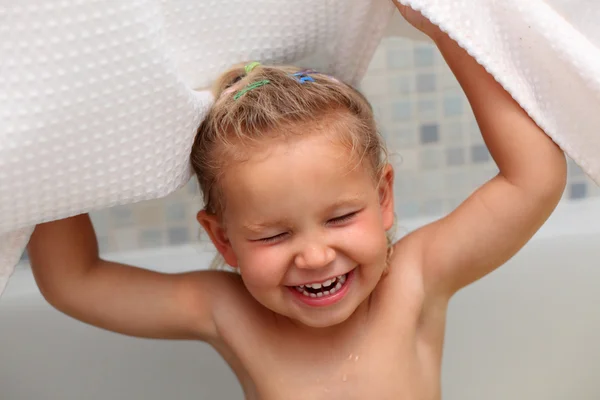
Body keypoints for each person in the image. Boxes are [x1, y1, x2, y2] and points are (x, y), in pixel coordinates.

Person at [26, 5, 566, 399]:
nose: (313, 256)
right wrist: (54, 129)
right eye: (273, 235)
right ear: (223, 239)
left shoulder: (414, 281)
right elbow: (76, 280)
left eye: (341, 216)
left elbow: (534, 179)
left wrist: (447, 22)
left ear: (383, 199)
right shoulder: (229, 312)